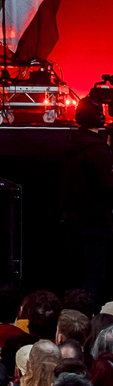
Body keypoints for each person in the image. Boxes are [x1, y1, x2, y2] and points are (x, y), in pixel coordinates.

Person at [62, 98, 113, 297]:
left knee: (73, 274)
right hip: (95, 223)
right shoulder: (98, 150)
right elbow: (106, 188)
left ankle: (71, 318)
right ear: (99, 117)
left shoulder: (71, 144)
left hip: (72, 221)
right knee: (94, 276)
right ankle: (86, 322)